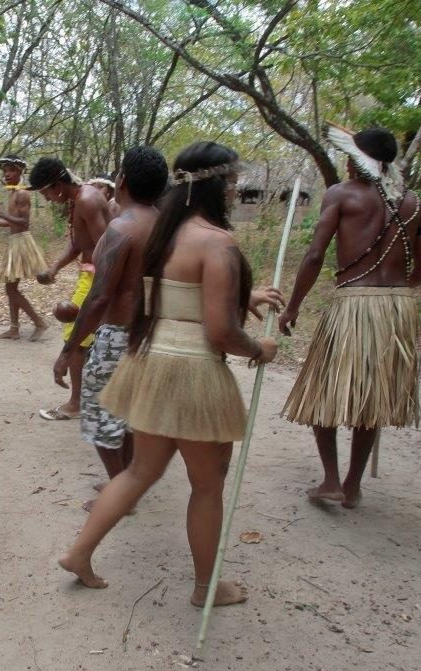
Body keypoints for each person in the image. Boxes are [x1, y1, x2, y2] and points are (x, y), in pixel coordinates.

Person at [58, 142, 280, 609]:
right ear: (220, 184)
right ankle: (205, 588)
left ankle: (79, 552)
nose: (237, 191)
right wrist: (258, 348)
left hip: (151, 362)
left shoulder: (161, 234)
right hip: (192, 372)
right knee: (206, 483)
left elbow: (182, 299)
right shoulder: (216, 241)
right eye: (235, 183)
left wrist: (248, 297)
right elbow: (219, 331)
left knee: (141, 469)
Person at [279, 124, 421, 509]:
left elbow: (315, 255)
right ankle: (352, 485)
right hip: (397, 308)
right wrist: (396, 294)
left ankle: (331, 479)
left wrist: (293, 305)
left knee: (321, 392)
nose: (346, 164)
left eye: (350, 157)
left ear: (359, 162)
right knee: (371, 399)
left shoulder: (342, 195)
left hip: (353, 304)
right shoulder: (413, 203)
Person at [51, 146, 169, 511]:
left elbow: (100, 297)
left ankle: (121, 492)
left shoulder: (122, 229)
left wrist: (69, 348)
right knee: (131, 415)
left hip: (118, 334)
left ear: (123, 180)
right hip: (153, 335)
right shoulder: (168, 225)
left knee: (101, 417)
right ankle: (127, 483)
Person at [28, 158, 111, 421]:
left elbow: (108, 247)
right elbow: (79, 245)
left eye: (46, 193)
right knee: (84, 337)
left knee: (74, 335)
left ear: (57, 186)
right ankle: (90, 398)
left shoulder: (87, 199)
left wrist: (101, 289)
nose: (48, 199)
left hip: (98, 276)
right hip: (90, 274)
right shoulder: (79, 199)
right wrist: (54, 268)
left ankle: (76, 403)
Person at [0, 156, 49, 341]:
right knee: (11, 287)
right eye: (4, 171)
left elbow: (24, 223)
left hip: (22, 243)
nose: (7, 174)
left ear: (20, 171)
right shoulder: (12, 193)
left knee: (11, 289)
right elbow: (11, 222)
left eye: (11, 170)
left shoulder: (22, 194)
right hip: (15, 242)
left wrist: (1, 213)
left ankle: (39, 322)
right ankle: (14, 329)